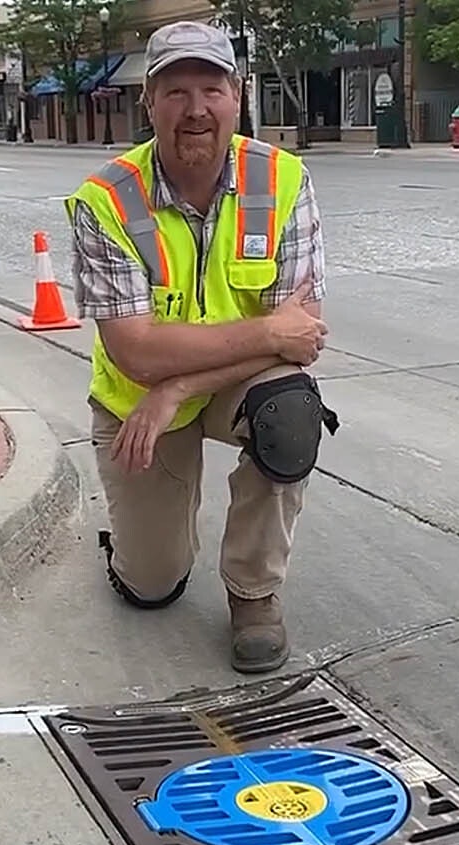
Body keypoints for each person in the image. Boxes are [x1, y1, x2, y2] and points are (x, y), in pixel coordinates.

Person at [65, 20, 336, 674]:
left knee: (289, 412)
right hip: (137, 404)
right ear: (148, 103)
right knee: (151, 587)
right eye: (175, 91)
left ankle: (254, 592)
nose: (195, 109)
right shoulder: (104, 201)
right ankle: (134, 547)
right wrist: (265, 334)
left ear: (236, 97)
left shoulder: (283, 181)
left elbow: (299, 338)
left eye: (210, 89)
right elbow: (136, 352)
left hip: (217, 389)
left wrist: (181, 385)